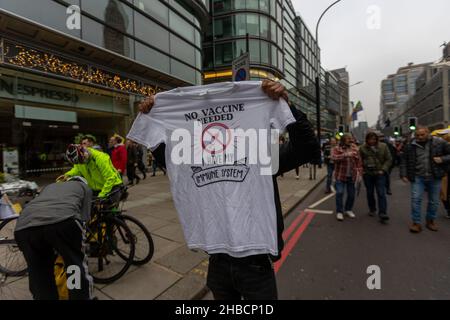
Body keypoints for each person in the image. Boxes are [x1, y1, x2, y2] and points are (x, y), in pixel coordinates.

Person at [133, 80, 321, 300]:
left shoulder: (262, 154)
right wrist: (154, 115)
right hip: (217, 259)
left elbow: (307, 148)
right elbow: (174, 164)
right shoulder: (197, 152)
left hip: (256, 262)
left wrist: (288, 107)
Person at [14, 176, 94, 300]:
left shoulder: (50, 186)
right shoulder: (85, 187)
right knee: (74, 265)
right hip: (63, 221)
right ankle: (78, 296)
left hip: (24, 227)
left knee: (39, 271)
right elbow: (85, 218)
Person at [400, 126, 450, 233]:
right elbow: (404, 160)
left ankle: (430, 221)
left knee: (434, 201)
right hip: (418, 176)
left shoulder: (439, 142)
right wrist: (403, 174)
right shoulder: (410, 145)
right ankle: (416, 223)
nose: (420, 137)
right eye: (417, 135)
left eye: (422, 135)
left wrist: (442, 159)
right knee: (416, 199)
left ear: (428, 133)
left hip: (435, 176)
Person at [59, 144, 123, 202]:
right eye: (79, 162)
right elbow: (77, 169)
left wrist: (101, 195)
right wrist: (67, 175)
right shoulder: (79, 160)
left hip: (112, 186)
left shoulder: (100, 158)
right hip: (96, 188)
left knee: (109, 211)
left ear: (84, 151)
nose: (82, 163)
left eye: (82, 160)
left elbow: (110, 178)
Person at [359, 132, 392, 223]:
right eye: (370, 139)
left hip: (380, 173)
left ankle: (383, 213)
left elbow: (389, 159)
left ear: (376, 139)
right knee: (370, 193)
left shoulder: (383, 146)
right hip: (368, 174)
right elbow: (359, 160)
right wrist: (363, 170)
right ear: (367, 139)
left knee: (381, 193)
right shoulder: (362, 148)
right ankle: (372, 209)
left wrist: (383, 169)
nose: (372, 141)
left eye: (374, 139)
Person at [332, 133, 363, 221]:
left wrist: (360, 173)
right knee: (340, 192)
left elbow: (359, 162)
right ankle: (339, 212)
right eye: (348, 138)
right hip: (340, 175)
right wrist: (345, 155)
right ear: (343, 140)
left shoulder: (355, 148)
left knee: (351, 195)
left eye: (351, 138)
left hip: (351, 176)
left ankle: (348, 209)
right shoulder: (337, 148)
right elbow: (333, 158)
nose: (350, 140)